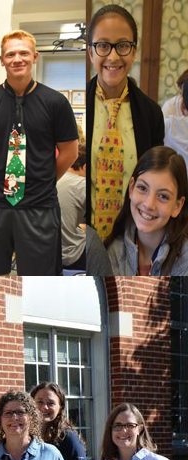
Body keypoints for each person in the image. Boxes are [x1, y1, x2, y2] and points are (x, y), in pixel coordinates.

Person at [0, 30, 79, 275]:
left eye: (23, 53)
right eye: (10, 54)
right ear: (1, 60)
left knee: (40, 278)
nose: (17, 59)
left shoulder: (55, 103)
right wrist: (0, 174)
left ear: (35, 56)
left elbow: (69, 152)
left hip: (39, 207)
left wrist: (44, 178)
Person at [87, 4, 164, 241]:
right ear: (91, 52)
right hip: (84, 238)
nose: (112, 56)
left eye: (122, 45)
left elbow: (154, 178)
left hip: (133, 236)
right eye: (102, 45)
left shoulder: (151, 113)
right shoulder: (69, 110)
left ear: (134, 51)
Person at [104, 145, 188, 275]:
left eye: (163, 196)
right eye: (143, 188)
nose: (149, 204)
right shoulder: (112, 252)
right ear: (131, 188)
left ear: (177, 206)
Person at [57, 142, 92, 272]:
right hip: (70, 255)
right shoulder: (81, 185)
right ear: (85, 167)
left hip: (47, 253)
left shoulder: (55, 177)